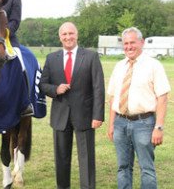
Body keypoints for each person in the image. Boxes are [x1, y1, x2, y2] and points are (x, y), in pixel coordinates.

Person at [39, 22, 105, 189]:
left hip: (85, 116)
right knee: (61, 158)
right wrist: (56, 89)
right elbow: (42, 84)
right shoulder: (51, 58)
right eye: (64, 34)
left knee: (86, 158)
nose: (68, 37)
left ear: (77, 35)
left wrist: (98, 115)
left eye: (71, 33)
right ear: (60, 37)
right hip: (60, 116)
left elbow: (98, 88)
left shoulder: (91, 56)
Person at [107, 27, 171, 189]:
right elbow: (113, 97)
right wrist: (111, 124)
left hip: (144, 124)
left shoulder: (154, 65)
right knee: (123, 168)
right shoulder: (119, 66)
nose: (129, 46)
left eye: (132, 42)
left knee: (147, 169)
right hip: (120, 124)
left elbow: (162, 98)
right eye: (126, 43)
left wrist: (159, 127)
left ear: (141, 42)